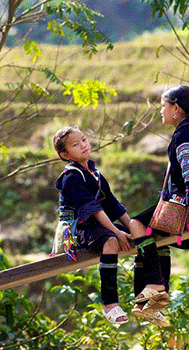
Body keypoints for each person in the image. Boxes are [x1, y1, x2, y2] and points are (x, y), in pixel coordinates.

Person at [129, 85, 189, 327]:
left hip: (183, 208)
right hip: (188, 206)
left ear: (176, 108)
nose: (161, 111)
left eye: (163, 106)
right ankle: (151, 303)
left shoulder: (185, 136)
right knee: (156, 240)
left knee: (136, 224)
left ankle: (156, 285)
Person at [53, 126, 133, 325]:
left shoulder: (95, 173)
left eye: (84, 140)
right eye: (75, 144)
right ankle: (110, 304)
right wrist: (116, 232)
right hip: (78, 228)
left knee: (142, 235)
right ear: (65, 154)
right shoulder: (72, 177)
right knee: (111, 240)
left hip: (96, 224)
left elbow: (113, 205)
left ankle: (146, 295)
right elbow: (94, 210)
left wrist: (132, 227)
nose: (83, 145)